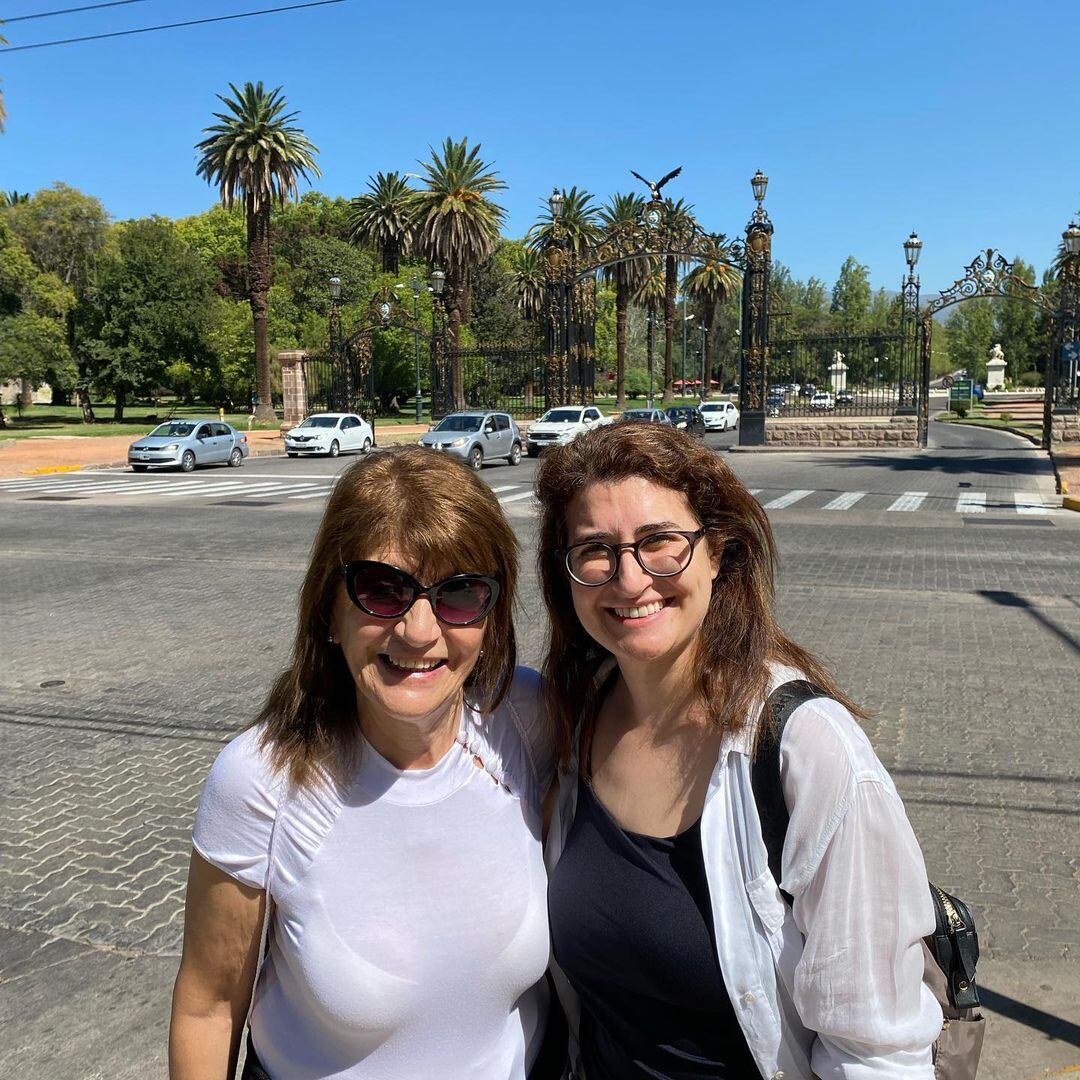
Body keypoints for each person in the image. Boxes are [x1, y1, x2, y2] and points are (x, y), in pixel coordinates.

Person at [535, 422, 942, 1080]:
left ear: (717, 551)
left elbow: (878, 1052)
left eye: (660, 542)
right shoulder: (569, 718)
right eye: (595, 550)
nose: (629, 579)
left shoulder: (804, 748)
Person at [170, 446, 554, 1079]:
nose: (419, 631)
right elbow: (208, 1007)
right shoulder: (260, 781)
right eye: (382, 590)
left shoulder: (525, 719)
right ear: (329, 607)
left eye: (460, 594)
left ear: (492, 615)